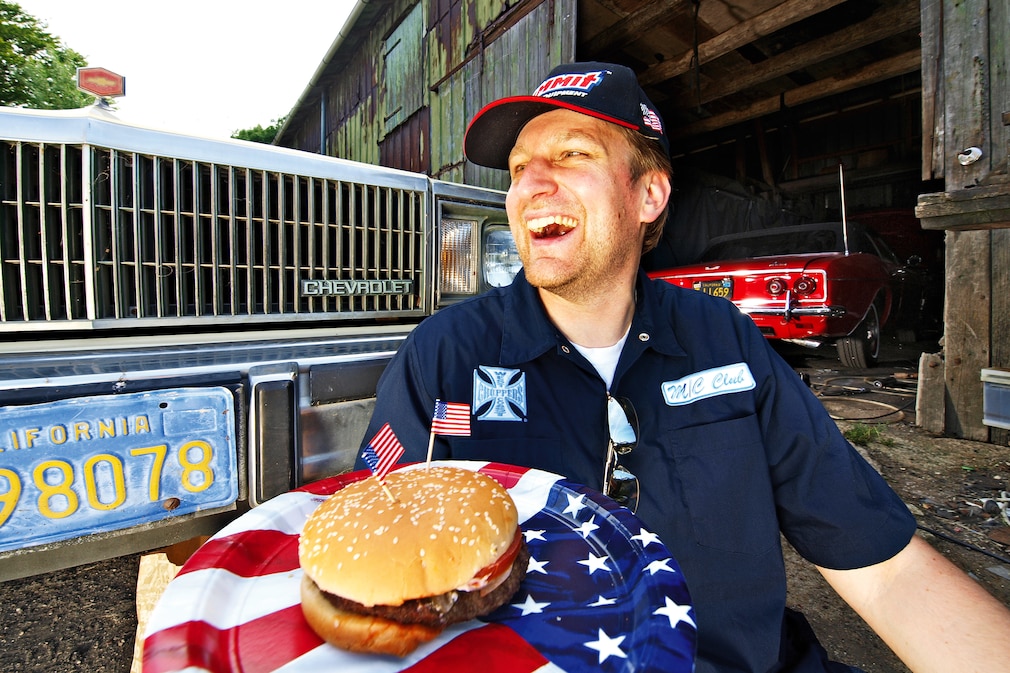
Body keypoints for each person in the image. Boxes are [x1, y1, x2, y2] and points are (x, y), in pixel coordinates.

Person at [356, 62, 1010, 672]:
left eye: (573, 155)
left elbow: (886, 569)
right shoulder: (445, 354)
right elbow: (374, 568)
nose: (530, 186)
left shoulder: (726, 341)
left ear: (649, 194)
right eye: (520, 167)